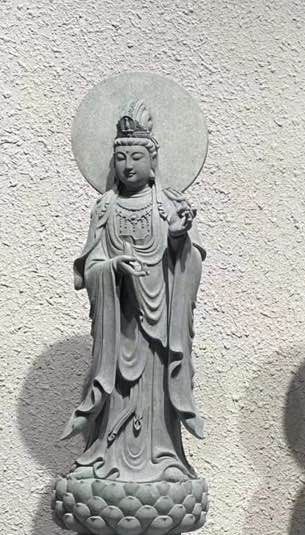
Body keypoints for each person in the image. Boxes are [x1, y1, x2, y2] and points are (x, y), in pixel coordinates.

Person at [62, 100, 205, 482]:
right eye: (121, 157)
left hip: (157, 332)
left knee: (156, 395)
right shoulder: (105, 208)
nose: (128, 165)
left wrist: (178, 239)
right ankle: (105, 455)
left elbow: (189, 264)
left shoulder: (167, 207)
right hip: (119, 325)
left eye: (136, 156)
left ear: (152, 160)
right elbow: (89, 268)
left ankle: (163, 457)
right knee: (116, 390)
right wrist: (111, 269)